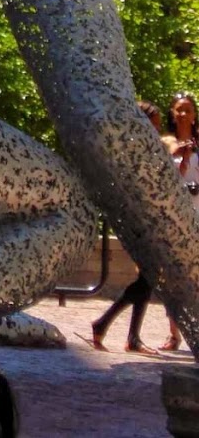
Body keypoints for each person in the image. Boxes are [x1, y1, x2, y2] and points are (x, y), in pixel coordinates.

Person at [89, 101, 164, 353]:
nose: (156, 131)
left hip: (144, 219)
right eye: (153, 126)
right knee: (148, 277)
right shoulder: (132, 151)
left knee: (147, 278)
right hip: (140, 221)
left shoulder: (134, 148)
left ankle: (117, 330)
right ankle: (114, 329)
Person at [159, 92, 199, 353]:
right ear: (172, 113)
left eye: (187, 110)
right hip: (172, 215)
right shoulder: (165, 142)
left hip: (197, 210)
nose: (183, 114)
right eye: (178, 110)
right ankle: (174, 333)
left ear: (195, 115)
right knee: (173, 277)